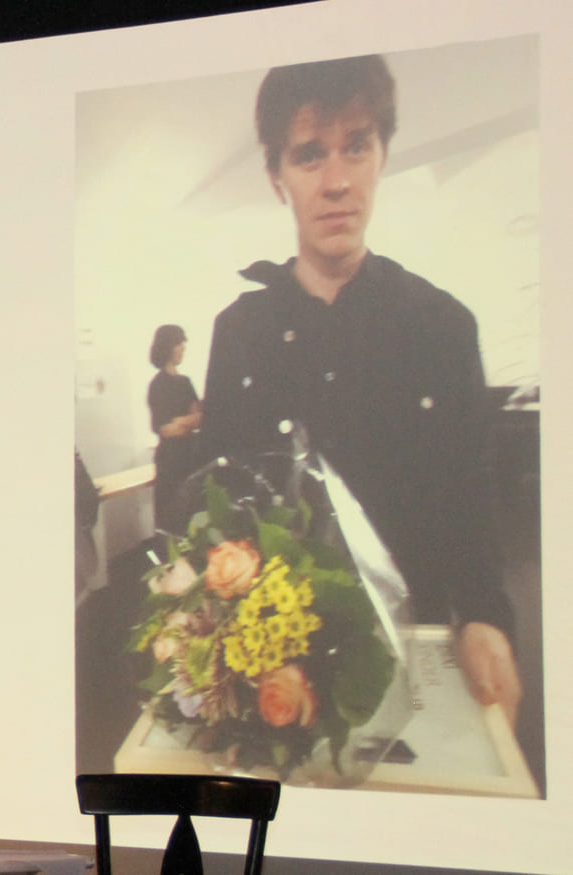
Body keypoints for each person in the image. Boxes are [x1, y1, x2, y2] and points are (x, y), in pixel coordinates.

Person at [199, 55, 522, 726]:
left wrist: (487, 615)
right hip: (276, 672)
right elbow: (219, 507)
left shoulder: (442, 326)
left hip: (417, 653)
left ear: (383, 154)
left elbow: (471, 493)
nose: (337, 181)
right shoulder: (239, 333)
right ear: (276, 176)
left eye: (357, 146)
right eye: (310, 155)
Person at [147, 325, 201, 532]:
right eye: (179, 343)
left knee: (190, 516)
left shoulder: (185, 382)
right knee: (170, 519)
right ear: (168, 347)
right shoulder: (158, 385)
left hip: (189, 457)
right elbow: (166, 430)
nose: (183, 348)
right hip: (169, 462)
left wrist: (179, 421)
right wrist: (184, 423)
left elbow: (199, 418)